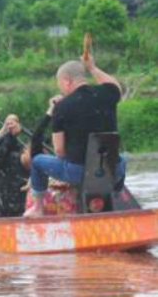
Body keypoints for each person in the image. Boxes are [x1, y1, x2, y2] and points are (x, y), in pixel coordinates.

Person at [24, 54, 125, 217]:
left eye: (60, 84)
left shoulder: (62, 107)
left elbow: (59, 151)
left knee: (36, 161)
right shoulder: (108, 93)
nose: (61, 89)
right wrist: (92, 67)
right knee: (123, 158)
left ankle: (38, 208)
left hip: (78, 172)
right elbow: (116, 87)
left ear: (67, 81)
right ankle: (118, 198)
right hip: (112, 169)